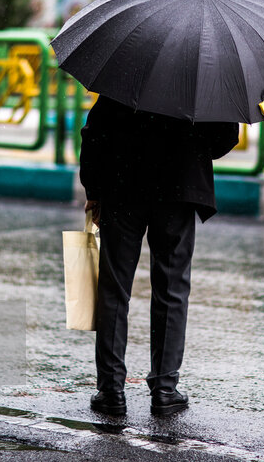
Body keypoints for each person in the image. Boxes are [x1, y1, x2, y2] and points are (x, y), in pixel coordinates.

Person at [80, 96, 240, 416]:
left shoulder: (130, 66)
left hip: (122, 182)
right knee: (172, 289)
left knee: (114, 289)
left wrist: (93, 191)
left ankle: (110, 390)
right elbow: (226, 137)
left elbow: (93, 133)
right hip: (179, 186)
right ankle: (165, 390)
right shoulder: (203, 78)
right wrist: (189, 145)